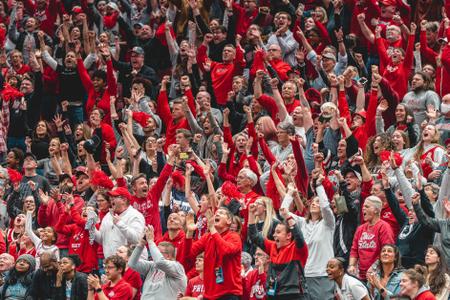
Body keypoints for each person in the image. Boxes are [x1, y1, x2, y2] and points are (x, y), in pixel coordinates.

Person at [248, 204, 309, 299]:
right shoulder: (272, 246)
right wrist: (251, 214)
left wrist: (288, 217)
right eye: (274, 232)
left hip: (294, 294)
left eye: (278, 232)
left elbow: (299, 236)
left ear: (289, 236)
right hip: (274, 294)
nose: (274, 235)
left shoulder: (297, 249)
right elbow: (254, 236)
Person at [185, 207, 243, 300]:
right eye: (216, 213)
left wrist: (212, 228)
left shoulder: (234, 237)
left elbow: (225, 251)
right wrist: (189, 233)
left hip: (228, 293)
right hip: (209, 294)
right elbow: (188, 255)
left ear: (229, 221)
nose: (217, 214)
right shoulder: (207, 237)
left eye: (221, 213)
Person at [128, 225, 187, 299]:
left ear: (168, 256)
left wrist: (150, 242)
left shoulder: (177, 267)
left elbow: (160, 262)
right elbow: (132, 264)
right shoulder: (152, 266)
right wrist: (141, 244)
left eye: (158, 252)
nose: (154, 254)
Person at [349, 196, 395, 281]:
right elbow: (354, 250)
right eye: (363, 207)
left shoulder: (384, 227)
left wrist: (374, 267)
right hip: (360, 275)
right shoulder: (360, 229)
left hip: (378, 274)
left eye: (367, 206)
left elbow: (387, 251)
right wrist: (351, 265)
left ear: (376, 210)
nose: (363, 209)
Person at [94, 186, 145, 258]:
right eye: (111, 197)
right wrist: (92, 228)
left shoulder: (135, 215)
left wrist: (120, 224)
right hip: (112, 262)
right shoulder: (108, 216)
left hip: (130, 263)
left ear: (124, 200)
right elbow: (102, 240)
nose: (111, 200)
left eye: (114, 197)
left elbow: (137, 239)